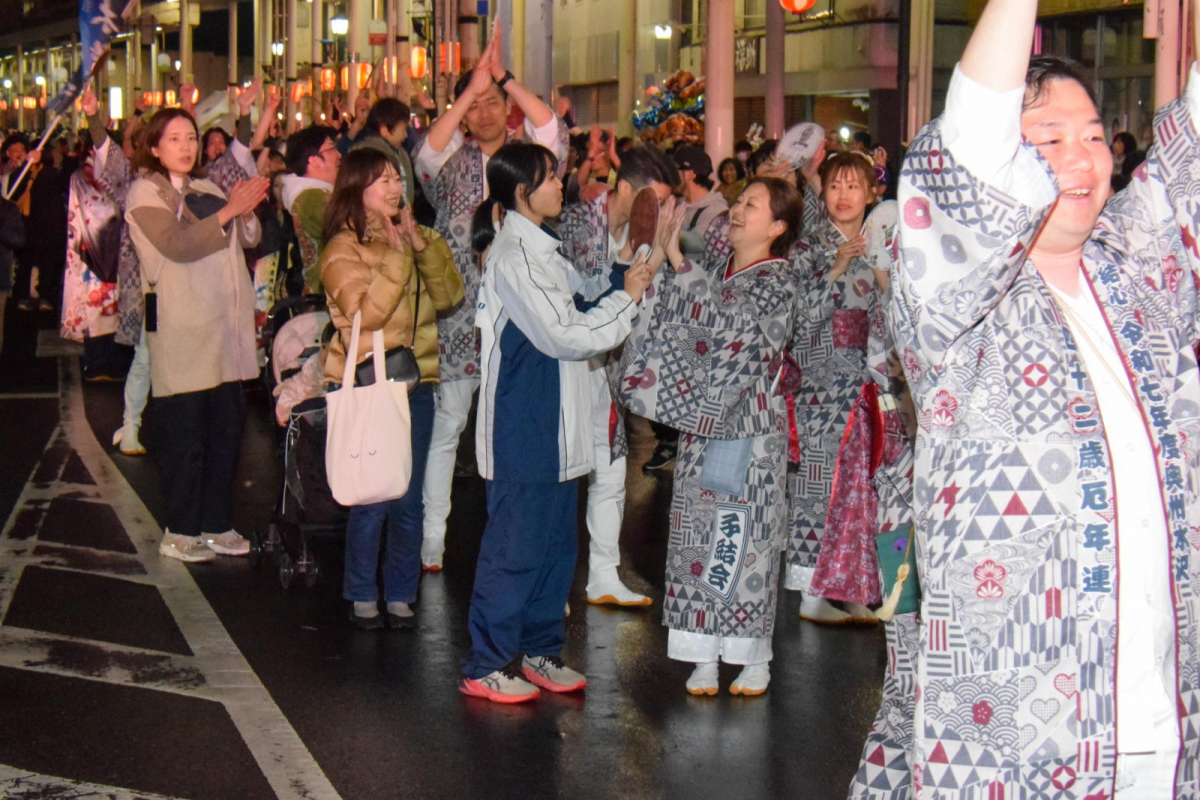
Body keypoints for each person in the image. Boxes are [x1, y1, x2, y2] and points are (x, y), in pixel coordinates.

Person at [875, 0, 1200, 792]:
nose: (1082, 156)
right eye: (1049, 140)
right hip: (1022, 727)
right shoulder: (955, 299)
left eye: (1093, 134)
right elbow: (975, 135)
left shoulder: (1138, 263)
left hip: (1162, 709)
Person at [459, 142, 648, 703]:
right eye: (549, 179)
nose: (559, 185)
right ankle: (486, 664)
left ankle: (541, 651)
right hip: (523, 425)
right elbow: (565, 334)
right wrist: (627, 299)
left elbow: (588, 300)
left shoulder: (544, 249)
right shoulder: (514, 255)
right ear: (522, 192)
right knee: (514, 549)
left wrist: (631, 272)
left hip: (561, 424)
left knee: (556, 550)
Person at [618, 178, 802, 696]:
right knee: (699, 540)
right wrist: (663, 271)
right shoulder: (723, 271)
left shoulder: (780, 279)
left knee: (745, 543)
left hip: (749, 434)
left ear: (778, 226)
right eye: (739, 201)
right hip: (706, 427)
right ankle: (702, 653)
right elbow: (690, 325)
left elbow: (737, 328)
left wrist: (679, 265)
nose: (738, 211)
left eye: (752, 206)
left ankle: (750, 657)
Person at [415, 29, 567, 571]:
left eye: (492, 102)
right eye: (472, 104)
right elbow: (427, 151)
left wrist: (503, 77)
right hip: (458, 321)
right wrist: (469, 89)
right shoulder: (450, 167)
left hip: (521, 320)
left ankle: (517, 546)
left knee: (515, 433)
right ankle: (433, 536)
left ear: (509, 109)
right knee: (447, 427)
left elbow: (551, 126)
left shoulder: (531, 165)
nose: (482, 112)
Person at [320, 149, 463, 629]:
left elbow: (450, 297)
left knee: (408, 496)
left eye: (396, 179)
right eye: (381, 181)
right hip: (369, 384)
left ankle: (400, 592)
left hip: (414, 383)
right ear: (357, 190)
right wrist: (399, 258)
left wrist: (422, 246)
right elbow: (367, 316)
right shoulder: (343, 247)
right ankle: (362, 591)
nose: (394, 188)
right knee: (372, 496)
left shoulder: (409, 237)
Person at [124, 108, 269, 562]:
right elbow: (178, 245)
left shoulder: (206, 187)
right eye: (174, 139)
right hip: (184, 331)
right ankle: (180, 531)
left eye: (191, 137)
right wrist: (232, 209)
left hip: (225, 331)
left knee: (225, 435)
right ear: (153, 146)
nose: (186, 146)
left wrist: (245, 215)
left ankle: (217, 525)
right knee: (185, 440)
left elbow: (247, 237)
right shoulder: (146, 192)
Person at [558, 145, 682, 606]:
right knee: (564, 477)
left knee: (610, 475)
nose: (660, 211)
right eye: (655, 199)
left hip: (609, 373)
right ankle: (552, 584)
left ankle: (604, 575)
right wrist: (625, 262)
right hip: (568, 368)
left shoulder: (646, 236)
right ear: (626, 188)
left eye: (667, 202)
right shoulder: (574, 225)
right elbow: (579, 300)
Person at [782, 151, 880, 624]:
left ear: (871, 193)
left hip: (867, 378)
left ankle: (854, 584)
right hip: (820, 382)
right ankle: (811, 592)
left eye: (854, 186)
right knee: (817, 485)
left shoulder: (880, 245)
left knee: (861, 485)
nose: (844, 196)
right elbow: (795, 319)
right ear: (822, 192)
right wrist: (835, 270)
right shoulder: (805, 250)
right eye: (835, 186)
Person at [281, 123, 341, 292]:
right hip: (324, 296)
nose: (339, 154)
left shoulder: (310, 195)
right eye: (332, 148)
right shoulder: (313, 199)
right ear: (314, 161)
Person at [350, 97, 416, 210]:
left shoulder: (399, 151)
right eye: (403, 129)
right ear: (385, 130)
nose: (405, 135)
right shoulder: (368, 156)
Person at [2, 133, 41, 312]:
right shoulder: (6, 169)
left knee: (24, 258)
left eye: (22, 151)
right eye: (14, 151)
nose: (18, 154)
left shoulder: (30, 171)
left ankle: (20, 294)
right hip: (4, 223)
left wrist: (29, 164)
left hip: (19, 223)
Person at [674, 145, 729, 261]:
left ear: (688, 174)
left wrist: (665, 229)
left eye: (675, 170)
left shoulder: (717, 210)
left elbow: (698, 241)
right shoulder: (678, 203)